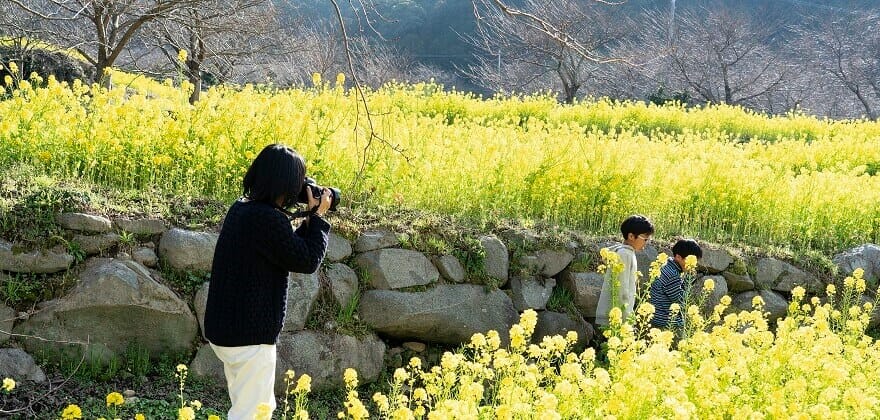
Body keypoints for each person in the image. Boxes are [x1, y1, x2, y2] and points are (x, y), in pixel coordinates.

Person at [204, 144, 332, 420]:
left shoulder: (242, 209)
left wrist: (308, 218)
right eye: (299, 180)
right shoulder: (267, 218)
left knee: (246, 406)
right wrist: (318, 218)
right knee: (255, 413)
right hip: (249, 336)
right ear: (285, 183)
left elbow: (284, 245)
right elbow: (307, 260)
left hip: (226, 329)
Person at [595, 215, 654, 327]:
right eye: (645, 239)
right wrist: (626, 318)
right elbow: (621, 287)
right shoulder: (624, 254)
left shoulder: (627, 252)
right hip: (617, 316)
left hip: (617, 313)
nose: (646, 243)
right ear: (631, 236)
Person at [649, 239, 703, 330]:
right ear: (678, 257)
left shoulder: (667, 266)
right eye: (691, 260)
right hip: (664, 320)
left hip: (656, 315)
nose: (694, 264)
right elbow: (681, 300)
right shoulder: (672, 275)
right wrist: (688, 278)